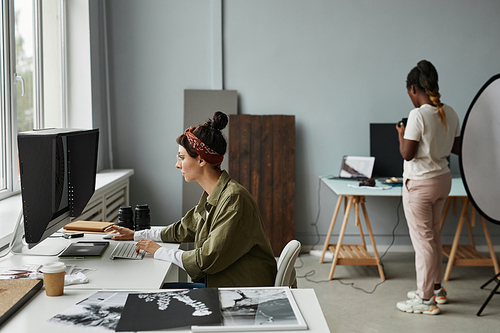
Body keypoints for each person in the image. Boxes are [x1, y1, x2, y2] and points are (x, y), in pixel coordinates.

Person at [105, 111, 277, 288]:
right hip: (225, 283)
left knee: (151, 292)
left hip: (242, 291)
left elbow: (205, 259)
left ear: (201, 160)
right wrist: (137, 235)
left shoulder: (233, 199)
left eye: (181, 157)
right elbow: (184, 228)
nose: (177, 164)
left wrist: (159, 251)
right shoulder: (215, 194)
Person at [395, 60, 460, 315]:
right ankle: (436, 289)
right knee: (433, 237)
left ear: (414, 89)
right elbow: (456, 147)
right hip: (443, 181)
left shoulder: (417, 115)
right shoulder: (450, 112)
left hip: (420, 186)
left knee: (423, 242)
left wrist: (401, 134)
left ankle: (425, 301)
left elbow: (407, 154)